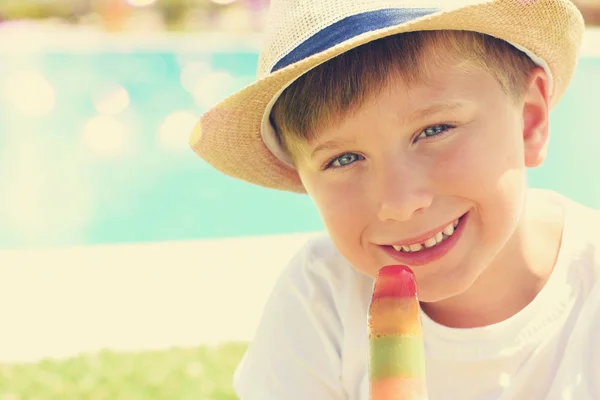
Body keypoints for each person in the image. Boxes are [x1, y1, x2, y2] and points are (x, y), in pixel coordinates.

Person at [189, 0, 600, 398]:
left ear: (530, 121)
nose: (400, 203)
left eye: (435, 129)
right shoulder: (320, 300)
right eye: (343, 158)